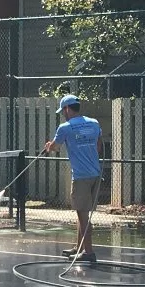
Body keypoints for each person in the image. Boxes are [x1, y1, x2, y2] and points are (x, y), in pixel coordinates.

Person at [44, 94, 102, 262]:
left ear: (67, 109)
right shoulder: (94, 123)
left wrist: (49, 146)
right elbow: (98, 146)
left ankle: (89, 253)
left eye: (63, 111)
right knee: (82, 213)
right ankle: (79, 247)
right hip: (95, 174)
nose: (63, 114)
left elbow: (55, 147)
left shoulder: (65, 127)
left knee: (84, 216)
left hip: (81, 176)